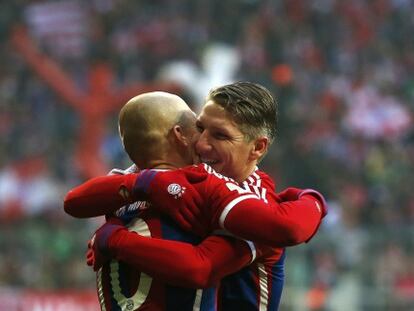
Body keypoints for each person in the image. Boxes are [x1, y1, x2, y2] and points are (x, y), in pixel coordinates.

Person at [64, 82, 327, 310]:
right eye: (201, 128)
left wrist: (313, 199)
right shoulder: (177, 177)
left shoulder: (254, 202)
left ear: (257, 147)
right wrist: (144, 183)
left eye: (220, 135)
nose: (202, 144)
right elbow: (75, 202)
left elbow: (200, 268)